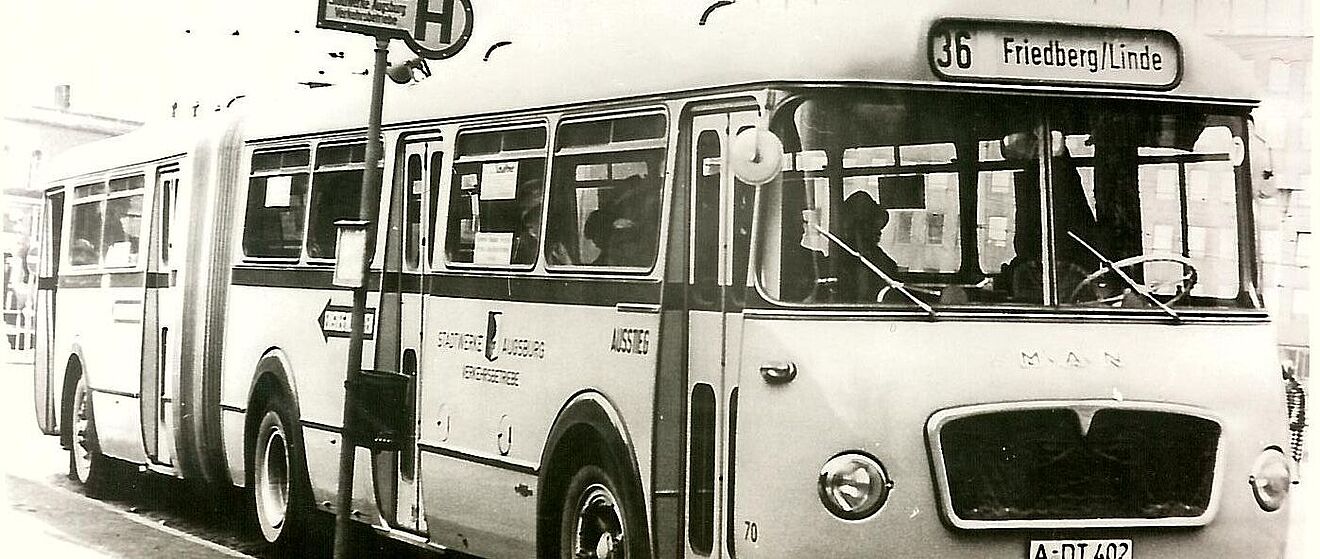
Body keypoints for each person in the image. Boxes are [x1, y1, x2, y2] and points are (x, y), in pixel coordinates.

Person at [837, 191, 899, 302]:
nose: (879, 232)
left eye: (877, 226)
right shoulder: (837, 261)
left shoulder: (886, 264)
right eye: (866, 225)